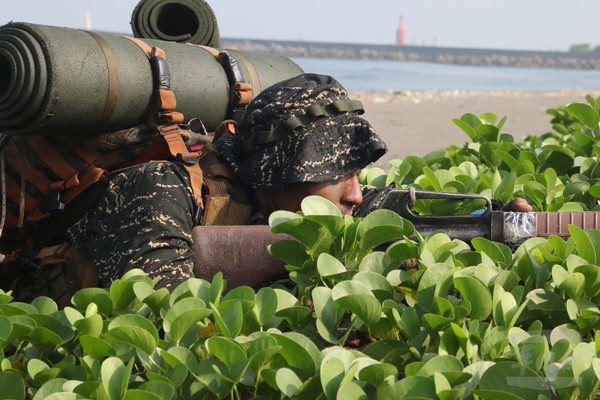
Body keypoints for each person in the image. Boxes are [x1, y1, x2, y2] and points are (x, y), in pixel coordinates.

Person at [64, 73, 388, 291]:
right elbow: (159, 312)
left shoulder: (273, 198)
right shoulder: (162, 190)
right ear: (272, 173)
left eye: (356, 173)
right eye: (332, 174)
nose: (355, 196)